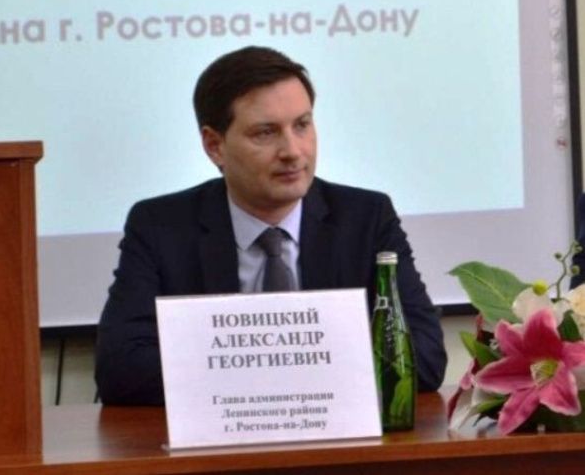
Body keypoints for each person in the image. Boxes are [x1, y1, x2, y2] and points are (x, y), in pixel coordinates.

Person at [95, 46, 447, 405]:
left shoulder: (367, 219)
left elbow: (425, 357)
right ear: (214, 145)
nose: (293, 151)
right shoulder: (160, 227)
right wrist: (303, 370)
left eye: (302, 125)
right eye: (265, 133)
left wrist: (236, 371)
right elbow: (119, 368)